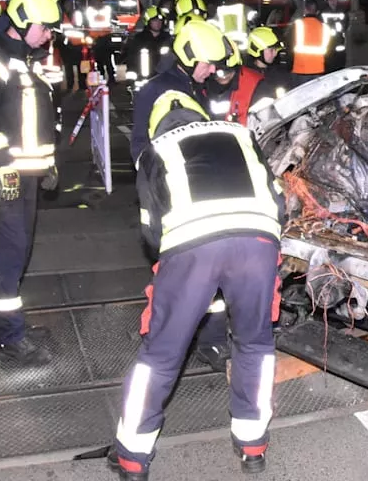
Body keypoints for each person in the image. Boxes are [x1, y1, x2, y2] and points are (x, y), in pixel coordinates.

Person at [110, 25, 284, 479]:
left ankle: (132, 454)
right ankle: (253, 445)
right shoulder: (239, 134)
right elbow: (276, 198)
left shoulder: (155, 152)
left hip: (192, 248)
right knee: (255, 344)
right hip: (259, 242)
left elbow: (151, 233)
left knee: (161, 353)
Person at [130, 19, 240, 372]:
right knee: (170, 271)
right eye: (207, 63)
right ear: (188, 56)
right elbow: (140, 146)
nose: (211, 70)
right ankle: (160, 337)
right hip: (171, 198)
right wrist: (158, 189)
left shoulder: (195, 88)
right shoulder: (157, 91)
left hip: (200, 195)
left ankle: (212, 340)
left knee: (212, 276)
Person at [0, 0, 62, 367]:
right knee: (8, 254)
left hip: (26, 176)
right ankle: (9, 341)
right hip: (3, 175)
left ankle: (11, 328)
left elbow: (34, 122)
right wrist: (3, 166)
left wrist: (48, 163)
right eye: (45, 26)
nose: (50, 34)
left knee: (19, 252)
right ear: (22, 22)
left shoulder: (25, 58)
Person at [244, 26, 292, 103]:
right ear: (256, 50)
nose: (275, 54)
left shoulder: (280, 74)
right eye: (272, 50)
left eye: (276, 50)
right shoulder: (244, 77)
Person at [125, 6, 171, 84]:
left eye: (160, 21)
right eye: (155, 20)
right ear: (148, 22)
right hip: (143, 80)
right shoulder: (139, 39)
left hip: (164, 80)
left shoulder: (167, 39)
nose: (158, 23)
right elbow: (131, 60)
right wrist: (131, 81)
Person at [288, 1, 329, 76]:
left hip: (300, 69)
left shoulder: (298, 24)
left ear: (305, 10)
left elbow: (290, 45)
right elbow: (329, 48)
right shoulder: (324, 27)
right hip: (318, 69)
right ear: (317, 12)